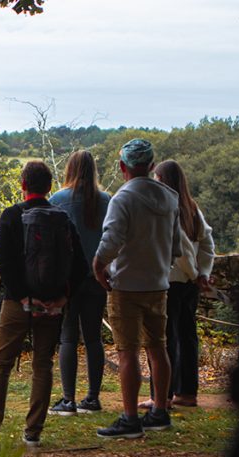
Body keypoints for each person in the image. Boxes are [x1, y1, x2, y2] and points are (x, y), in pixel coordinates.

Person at [0, 161, 87, 447]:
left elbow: (3, 262)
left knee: (1, 365)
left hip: (17, 304)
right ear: (50, 187)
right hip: (52, 305)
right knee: (42, 364)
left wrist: (23, 296)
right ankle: (33, 432)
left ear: (23, 185)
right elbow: (80, 266)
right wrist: (63, 297)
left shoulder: (10, 216)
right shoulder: (62, 218)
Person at [93, 139, 182, 439]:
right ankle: (160, 411)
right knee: (158, 348)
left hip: (126, 286)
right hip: (158, 284)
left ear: (122, 167)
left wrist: (98, 266)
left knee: (127, 351)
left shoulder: (122, 199)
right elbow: (176, 247)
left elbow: (111, 240)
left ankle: (130, 418)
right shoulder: (171, 197)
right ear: (152, 166)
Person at [138, 160, 215, 410]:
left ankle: (164, 395)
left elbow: (182, 249)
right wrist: (202, 273)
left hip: (171, 283)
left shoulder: (169, 208)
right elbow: (207, 245)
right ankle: (186, 392)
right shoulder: (192, 208)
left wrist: (196, 273)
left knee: (164, 339)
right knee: (186, 336)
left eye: (157, 177)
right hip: (188, 284)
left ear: (163, 180)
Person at [48, 151, 111, 415]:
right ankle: (93, 398)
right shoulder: (106, 200)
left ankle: (68, 399)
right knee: (94, 337)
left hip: (68, 280)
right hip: (97, 279)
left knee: (68, 338)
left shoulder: (58, 200)